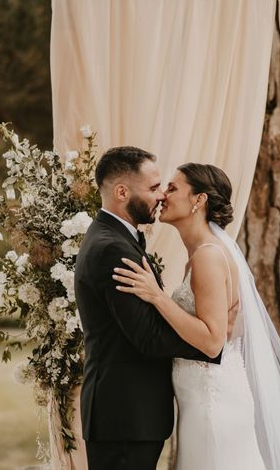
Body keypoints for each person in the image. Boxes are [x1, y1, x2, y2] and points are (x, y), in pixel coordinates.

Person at [114, 162, 280, 469]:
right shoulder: (203, 254)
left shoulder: (208, 255)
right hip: (202, 399)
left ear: (198, 199)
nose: (163, 194)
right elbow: (231, 325)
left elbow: (212, 343)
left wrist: (157, 297)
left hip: (212, 404)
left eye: (173, 188)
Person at [74, 147, 220, 470]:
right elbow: (148, 336)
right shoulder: (112, 249)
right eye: (153, 188)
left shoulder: (117, 239)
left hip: (128, 416)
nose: (161, 196)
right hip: (124, 417)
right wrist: (212, 342)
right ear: (122, 192)